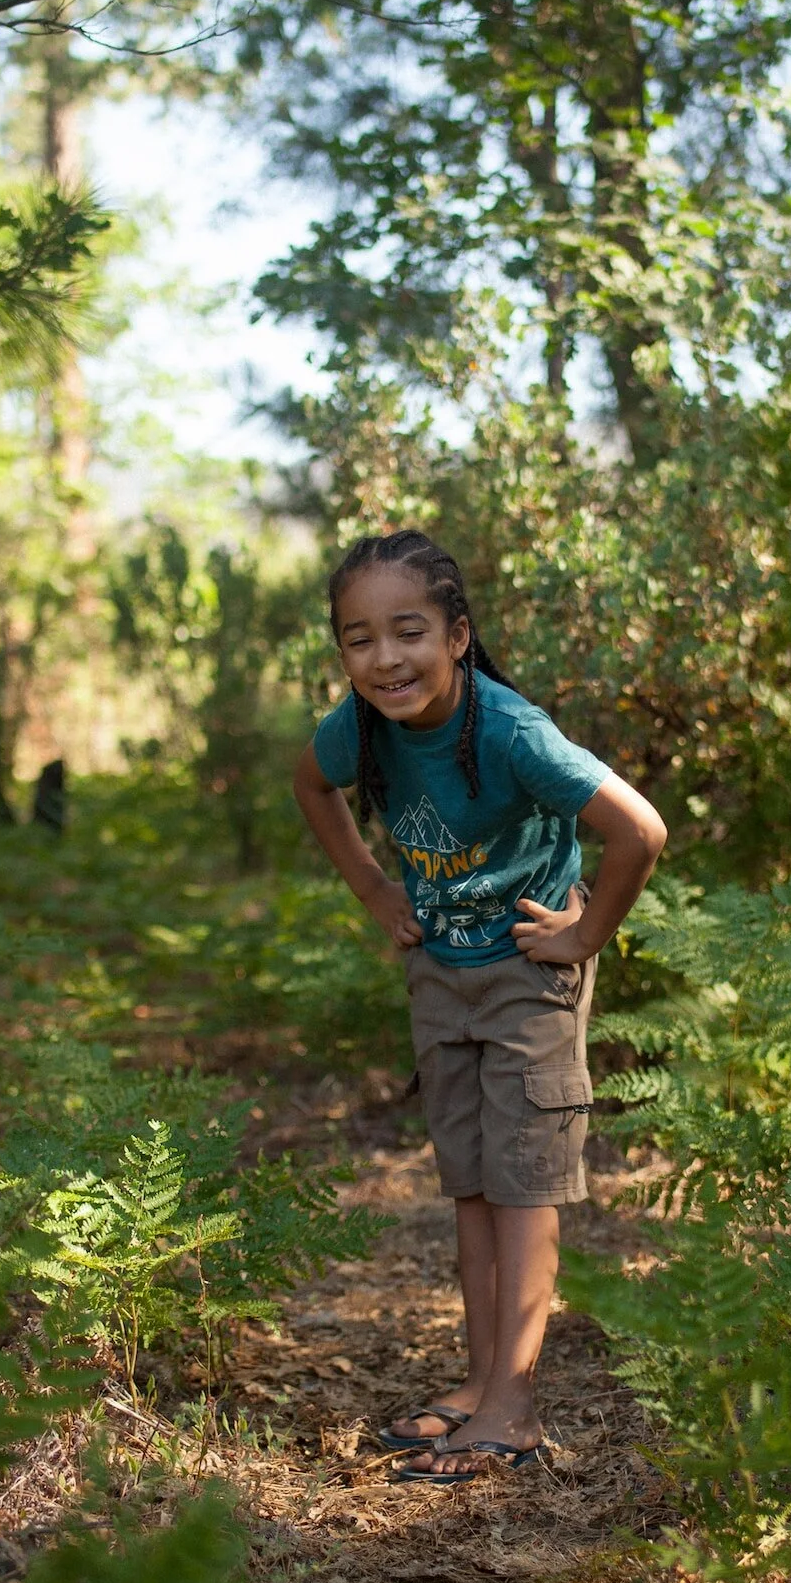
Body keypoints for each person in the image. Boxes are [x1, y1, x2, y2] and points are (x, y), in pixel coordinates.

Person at [291, 531, 667, 1484]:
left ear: (458, 635)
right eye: (358, 639)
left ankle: (514, 1407)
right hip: (440, 971)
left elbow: (639, 830)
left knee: (524, 1183)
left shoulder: (511, 731)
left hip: (527, 973)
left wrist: (584, 937)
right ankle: (478, 1382)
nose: (384, 658)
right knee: (470, 1180)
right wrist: (377, 892)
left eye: (408, 631)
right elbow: (310, 784)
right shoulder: (363, 727)